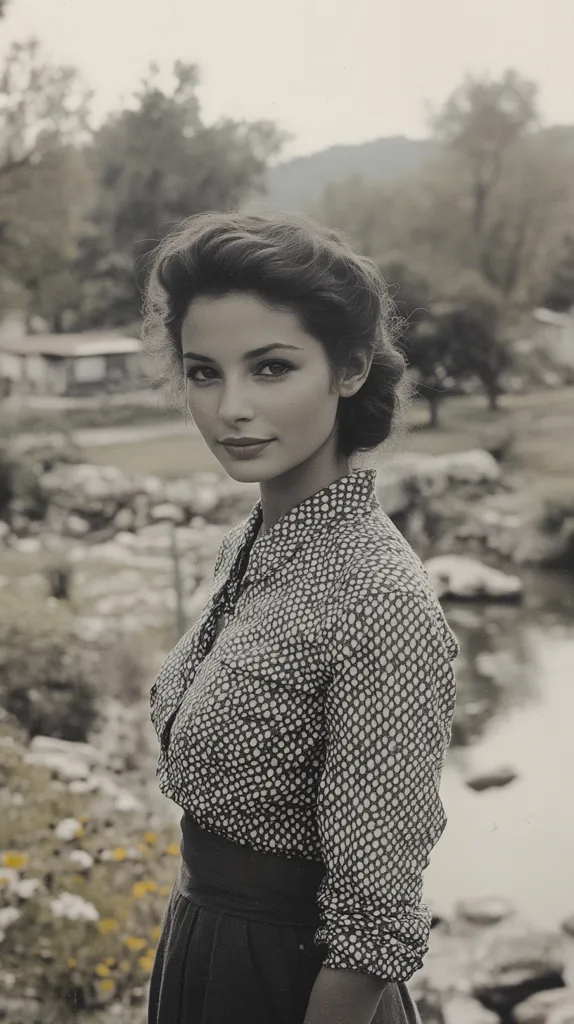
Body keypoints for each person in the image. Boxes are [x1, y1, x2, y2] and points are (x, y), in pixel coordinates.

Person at [143, 209, 459, 1024]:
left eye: (271, 368)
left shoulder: (378, 598)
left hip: (292, 984)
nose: (231, 408)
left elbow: (376, 917)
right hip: (204, 944)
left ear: (348, 370)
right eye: (204, 373)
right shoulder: (250, 545)